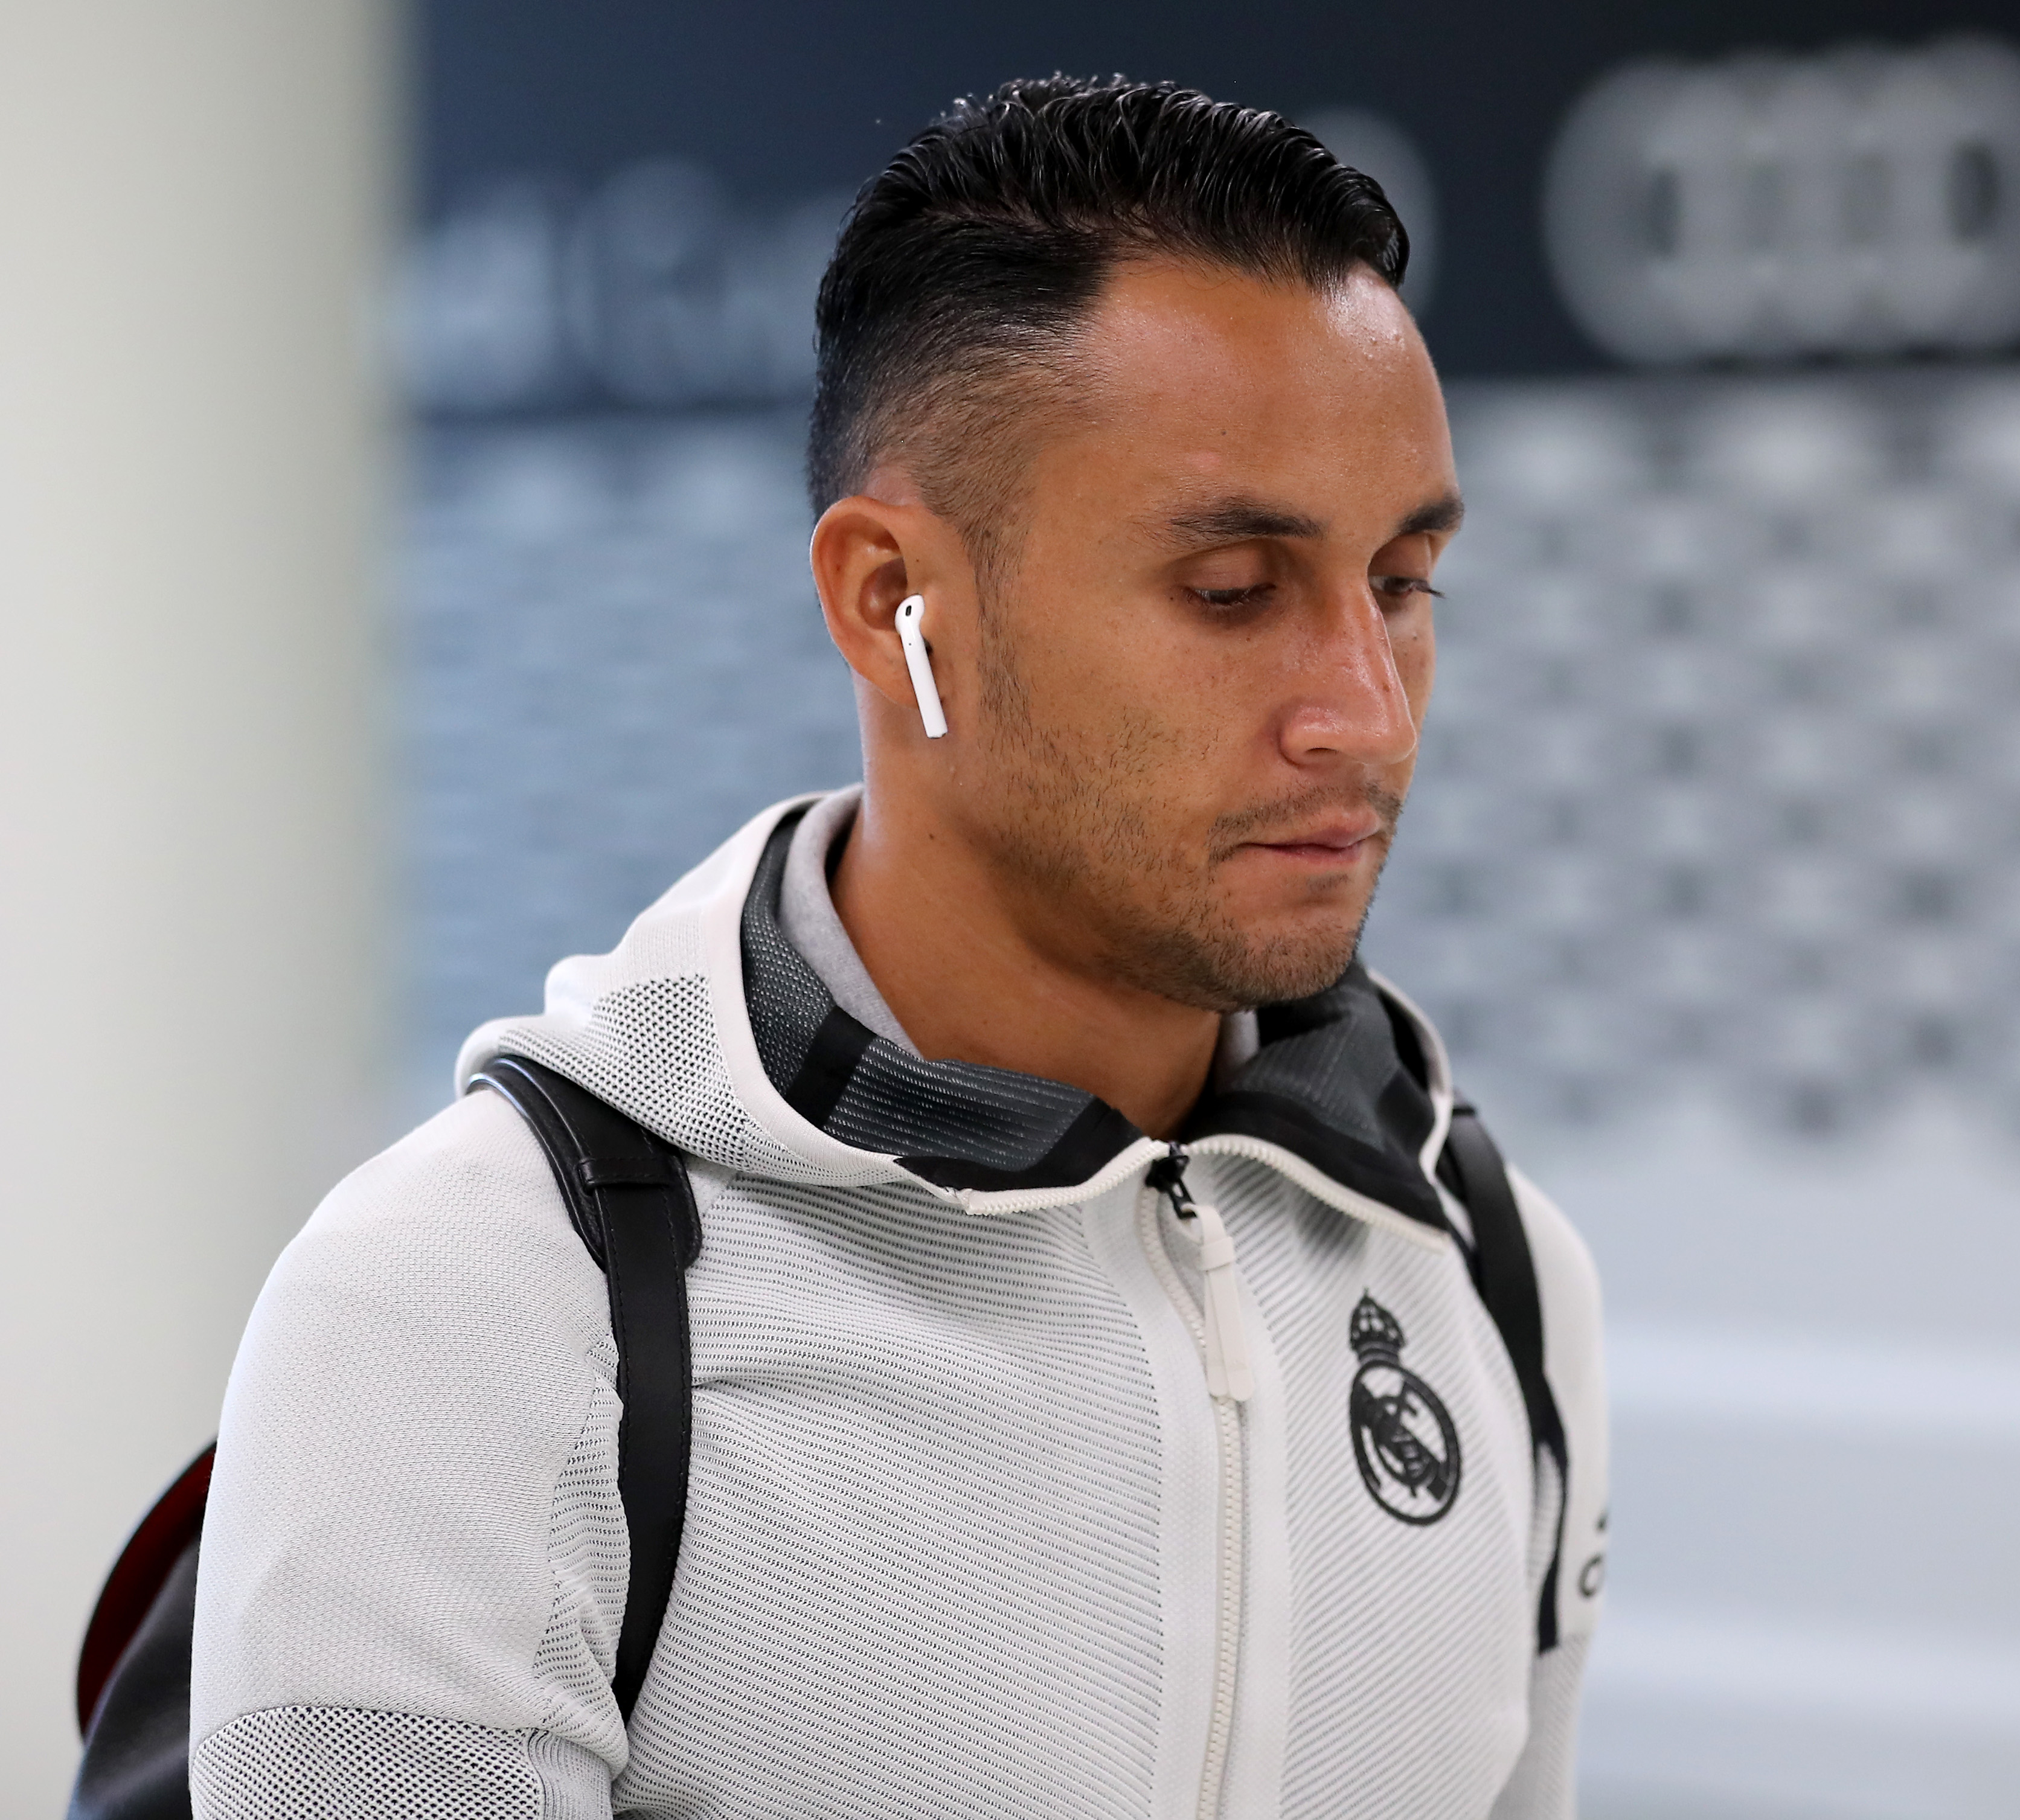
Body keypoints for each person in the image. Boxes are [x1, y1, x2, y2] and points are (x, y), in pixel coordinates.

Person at [187, 75, 1607, 1820]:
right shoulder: (477, 1309)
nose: (1366, 713)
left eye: (1400, 580)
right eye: (1234, 590)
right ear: (890, 602)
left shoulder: (1493, 1272)